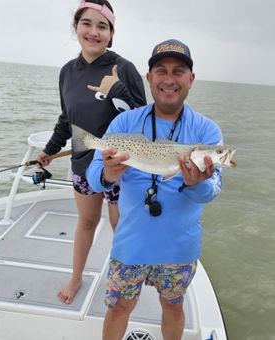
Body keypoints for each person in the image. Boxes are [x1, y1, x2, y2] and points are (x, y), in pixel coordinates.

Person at [86, 38, 224, 340]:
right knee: (119, 307)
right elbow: (94, 177)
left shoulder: (207, 131)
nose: (169, 79)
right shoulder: (124, 123)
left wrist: (194, 184)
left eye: (178, 71)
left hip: (179, 247)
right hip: (130, 243)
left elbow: (213, 190)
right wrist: (108, 174)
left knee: (173, 307)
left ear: (191, 79)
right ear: (149, 78)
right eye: (161, 71)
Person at [36, 0, 146, 304]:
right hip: (83, 163)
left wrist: (115, 90)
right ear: (76, 27)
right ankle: (76, 276)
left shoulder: (123, 69)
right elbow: (66, 118)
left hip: (119, 167)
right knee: (86, 221)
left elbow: (144, 120)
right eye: (87, 23)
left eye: (102, 26)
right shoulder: (67, 72)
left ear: (111, 34)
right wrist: (49, 150)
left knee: (119, 226)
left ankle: (126, 279)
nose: (94, 32)